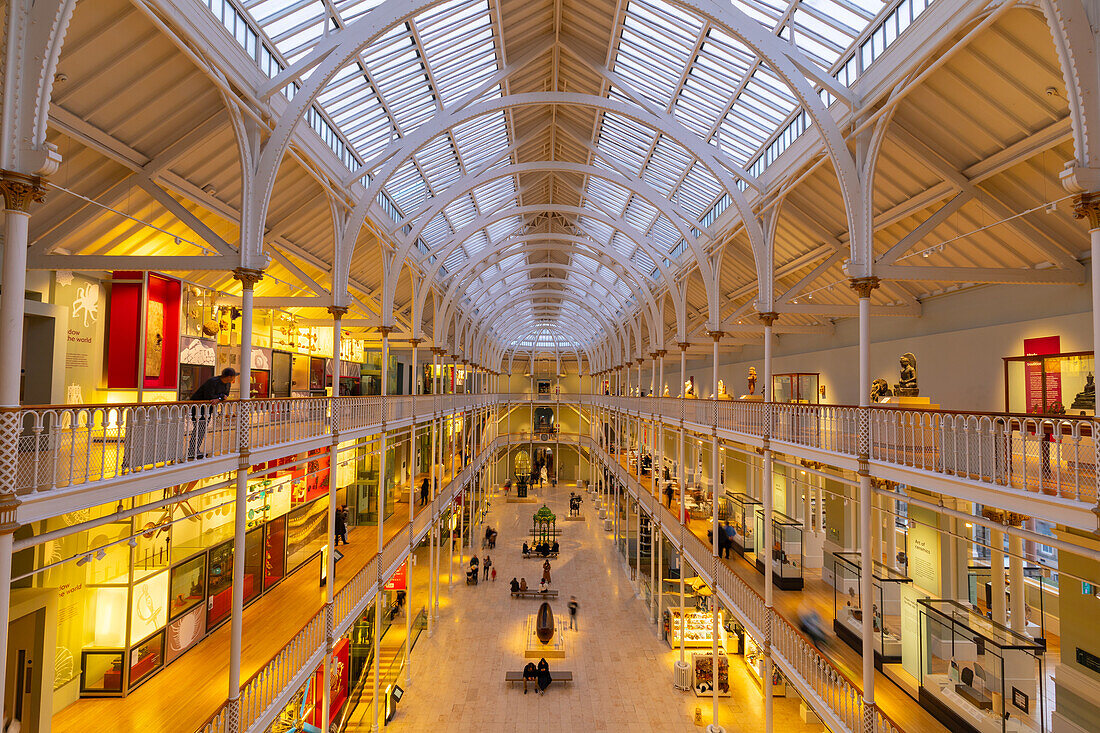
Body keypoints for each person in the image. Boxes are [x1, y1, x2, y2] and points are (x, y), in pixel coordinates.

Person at [187, 367, 237, 459]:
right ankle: (192, 450)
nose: (234, 379)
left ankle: (194, 449)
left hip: (208, 409)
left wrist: (219, 398)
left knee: (201, 429)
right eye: (233, 377)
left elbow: (225, 395)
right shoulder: (213, 382)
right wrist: (220, 397)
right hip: (198, 408)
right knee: (199, 428)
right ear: (228, 377)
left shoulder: (228, 384)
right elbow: (209, 396)